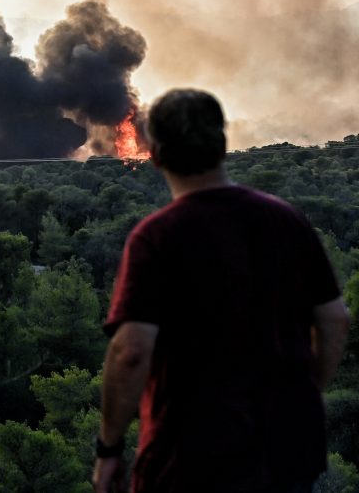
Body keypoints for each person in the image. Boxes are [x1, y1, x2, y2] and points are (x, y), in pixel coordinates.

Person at [93, 89, 351, 493]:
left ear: (154, 154)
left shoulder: (157, 237)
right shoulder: (287, 220)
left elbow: (130, 352)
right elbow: (335, 320)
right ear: (223, 145)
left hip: (191, 456)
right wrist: (301, 393)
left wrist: (108, 449)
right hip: (286, 450)